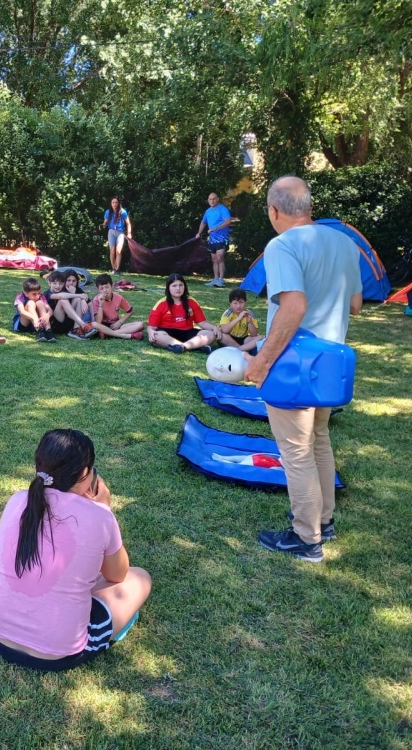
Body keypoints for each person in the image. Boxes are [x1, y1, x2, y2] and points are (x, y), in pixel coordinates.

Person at [244, 176, 363, 563]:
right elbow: (356, 304)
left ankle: (306, 538)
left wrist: (261, 362)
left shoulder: (282, 245)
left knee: (296, 452)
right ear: (309, 207)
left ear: (273, 211)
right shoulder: (345, 243)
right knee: (319, 440)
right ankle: (323, 520)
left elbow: (292, 308)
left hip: (294, 364)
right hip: (331, 363)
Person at [0, 429, 151, 671]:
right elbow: (118, 575)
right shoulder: (99, 516)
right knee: (141, 577)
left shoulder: (17, 500)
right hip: (58, 653)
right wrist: (105, 509)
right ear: (85, 473)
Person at [146, 273, 220, 354]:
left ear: (184, 286)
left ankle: (182, 347)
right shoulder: (161, 304)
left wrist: (214, 328)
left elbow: (202, 322)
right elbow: (152, 327)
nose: (178, 288)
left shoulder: (192, 302)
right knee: (156, 336)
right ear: (168, 288)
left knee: (211, 334)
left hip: (188, 332)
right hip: (167, 333)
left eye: (180, 285)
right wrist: (150, 332)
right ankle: (196, 347)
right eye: (174, 286)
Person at [88, 274, 145, 340]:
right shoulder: (96, 300)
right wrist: (101, 304)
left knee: (140, 324)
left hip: (115, 325)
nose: (105, 290)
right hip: (102, 326)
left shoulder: (118, 298)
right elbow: (98, 322)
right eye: (101, 288)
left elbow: (130, 311)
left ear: (112, 286)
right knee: (94, 324)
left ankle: (108, 334)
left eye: (107, 287)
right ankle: (128, 336)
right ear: (98, 290)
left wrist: (120, 322)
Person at [196, 193, 234, 288]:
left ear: (217, 199)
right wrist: (199, 233)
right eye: (210, 199)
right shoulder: (208, 211)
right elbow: (203, 222)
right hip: (212, 239)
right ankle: (215, 279)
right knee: (214, 259)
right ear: (208, 200)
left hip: (222, 238)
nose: (212, 201)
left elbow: (228, 221)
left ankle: (221, 280)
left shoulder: (223, 209)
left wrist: (215, 228)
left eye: (214, 199)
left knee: (220, 257)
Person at [13, 278, 57, 342]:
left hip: (38, 323)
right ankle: (40, 331)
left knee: (40, 302)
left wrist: (47, 316)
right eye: (34, 294)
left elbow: (50, 311)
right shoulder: (20, 296)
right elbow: (22, 312)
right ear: (26, 293)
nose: (37, 296)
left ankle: (49, 331)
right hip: (23, 324)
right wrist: (34, 318)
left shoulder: (41, 296)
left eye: (39, 293)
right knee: (31, 303)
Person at [100, 197, 131, 274]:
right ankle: (113, 268)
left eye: (116, 202)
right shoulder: (108, 212)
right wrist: (102, 225)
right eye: (113, 202)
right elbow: (105, 222)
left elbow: (128, 223)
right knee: (112, 251)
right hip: (111, 232)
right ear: (111, 203)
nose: (114, 204)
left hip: (120, 232)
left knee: (118, 251)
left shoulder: (123, 212)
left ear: (118, 203)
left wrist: (129, 233)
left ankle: (117, 268)